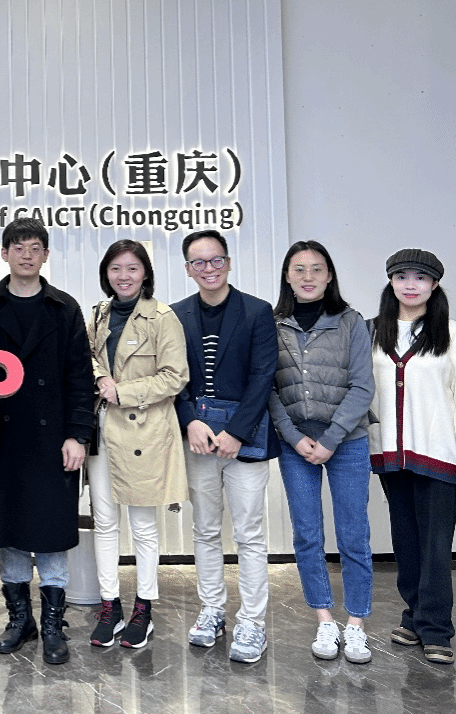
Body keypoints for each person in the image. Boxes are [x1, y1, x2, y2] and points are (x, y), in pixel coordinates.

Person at [0, 218, 94, 666]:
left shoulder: (64, 307)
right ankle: (19, 619)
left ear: (46, 255)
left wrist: (78, 435)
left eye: (35, 247)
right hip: (1, 437)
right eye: (18, 247)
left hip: (52, 439)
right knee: (9, 532)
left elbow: (79, 378)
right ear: (4, 253)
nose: (26, 255)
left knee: (50, 533)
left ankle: (52, 624)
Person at [369, 249, 456, 665]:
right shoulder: (372, 332)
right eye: (402, 276)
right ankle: (414, 617)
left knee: (435, 546)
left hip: (439, 455)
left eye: (420, 277)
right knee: (406, 541)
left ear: (434, 285)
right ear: (391, 282)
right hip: (391, 456)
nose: (411, 285)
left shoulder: (451, 334)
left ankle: (436, 629)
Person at [172, 229, 278, 664]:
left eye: (216, 260)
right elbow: (173, 377)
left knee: (250, 533)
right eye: (199, 262)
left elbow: (263, 376)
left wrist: (237, 431)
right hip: (198, 439)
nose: (209, 269)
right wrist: (190, 421)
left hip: (245, 440)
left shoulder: (257, 311)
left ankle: (252, 620)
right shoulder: (175, 315)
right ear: (188, 269)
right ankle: (212, 609)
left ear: (229, 263)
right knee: (205, 529)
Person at [270, 240, 375, 664]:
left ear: (330, 275)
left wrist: (331, 439)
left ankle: (357, 624)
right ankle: (325, 620)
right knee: (307, 534)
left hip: (347, 442)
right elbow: (268, 388)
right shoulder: (273, 324)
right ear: (287, 276)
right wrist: (293, 437)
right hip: (295, 442)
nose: (308, 276)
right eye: (299, 269)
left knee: (353, 534)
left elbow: (363, 387)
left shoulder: (351, 322)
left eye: (317, 268)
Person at [85, 239, 188, 650]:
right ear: (106, 274)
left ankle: (144, 609)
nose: (123, 276)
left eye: (131, 268)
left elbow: (175, 376)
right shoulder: (99, 314)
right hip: (103, 429)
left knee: (143, 527)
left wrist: (122, 391)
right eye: (115, 268)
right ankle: (109, 606)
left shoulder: (162, 317)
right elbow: (86, 356)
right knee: (105, 522)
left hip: (144, 429)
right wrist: (99, 378)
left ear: (145, 273)